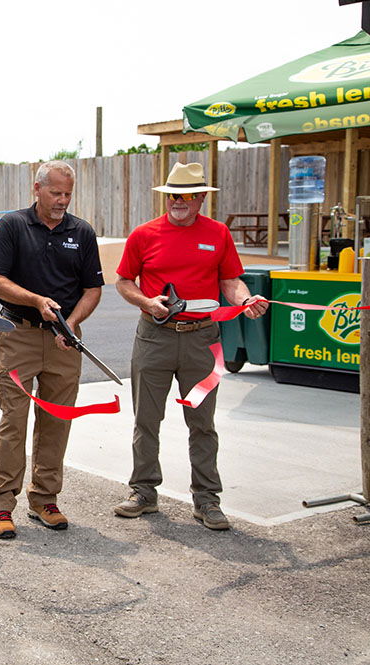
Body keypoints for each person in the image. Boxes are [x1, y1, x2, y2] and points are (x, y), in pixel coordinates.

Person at [113, 162, 268, 530]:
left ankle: (207, 499)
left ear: (201, 197)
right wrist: (147, 302)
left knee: (202, 423)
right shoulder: (144, 234)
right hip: (154, 336)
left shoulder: (218, 233)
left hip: (202, 339)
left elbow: (231, 280)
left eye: (185, 195)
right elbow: (123, 282)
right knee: (146, 419)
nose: (178, 201)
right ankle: (144, 492)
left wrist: (245, 301)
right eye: (172, 195)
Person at [0, 161, 104, 538]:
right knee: (13, 421)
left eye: (68, 194)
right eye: (56, 193)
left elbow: (93, 288)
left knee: (57, 420)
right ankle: (2, 504)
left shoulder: (81, 232)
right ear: (37, 189)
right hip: (19, 334)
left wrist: (71, 323)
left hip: (64, 339)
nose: (62, 201)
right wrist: (36, 300)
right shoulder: (14, 225)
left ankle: (45, 499)